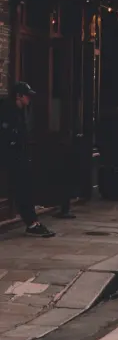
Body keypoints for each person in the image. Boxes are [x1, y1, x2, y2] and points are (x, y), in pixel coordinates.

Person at [0, 83, 55, 237]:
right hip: (11, 159)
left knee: (24, 190)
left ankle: (32, 222)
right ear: (18, 95)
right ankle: (32, 223)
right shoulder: (8, 111)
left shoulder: (20, 111)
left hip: (19, 159)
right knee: (22, 191)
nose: (29, 98)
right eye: (27, 95)